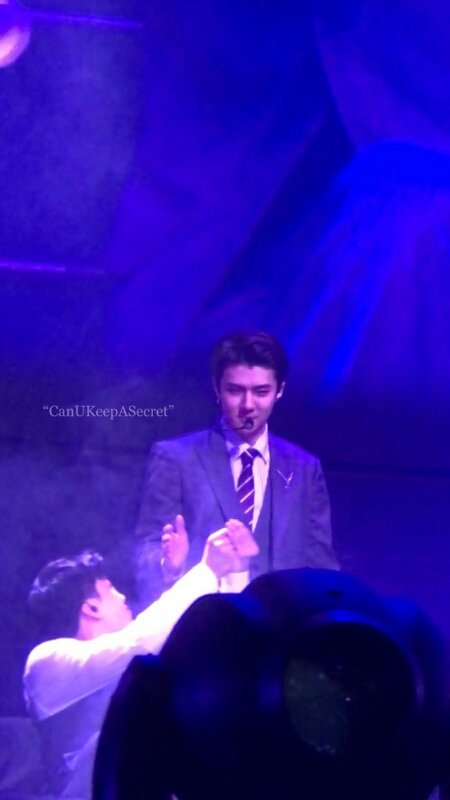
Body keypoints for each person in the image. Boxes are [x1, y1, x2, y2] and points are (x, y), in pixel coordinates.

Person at [23, 519, 257, 799]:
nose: (123, 597)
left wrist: (235, 572)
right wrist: (208, 569)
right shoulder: (44, 663)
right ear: (91, 608)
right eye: (111, 589)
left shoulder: (128, 663)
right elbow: (138, 642)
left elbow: (220, 654)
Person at [135, 330, 339, 604]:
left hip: (283, 625)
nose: (248, 405)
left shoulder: (304, 468)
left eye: (261, 392)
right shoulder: (176, 458)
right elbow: (146, 552)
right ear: (217, 389)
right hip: (202, 621)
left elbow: (322, 567)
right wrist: (170, 566)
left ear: (279, 390)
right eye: (235, 391)